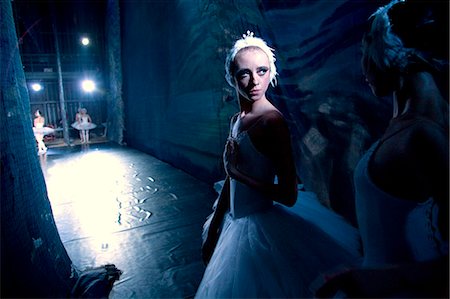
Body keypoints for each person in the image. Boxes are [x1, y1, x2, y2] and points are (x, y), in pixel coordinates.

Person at [195, 31, 361, 298]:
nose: (254, 81)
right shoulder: (236, 119)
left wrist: (238, 173)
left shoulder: (272, 121)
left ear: (271, 71)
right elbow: (230, 178)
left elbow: (288, 195)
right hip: (234, 224)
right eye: (244, 73)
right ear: (232, 77)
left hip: (262, 230)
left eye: (261, 71)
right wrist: (215, 224)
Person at [316, 1, 449, 297]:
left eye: (365, 50)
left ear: (386, 50)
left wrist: (379, 279)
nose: (362, 64)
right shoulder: (406, 122)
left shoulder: (422, 134)